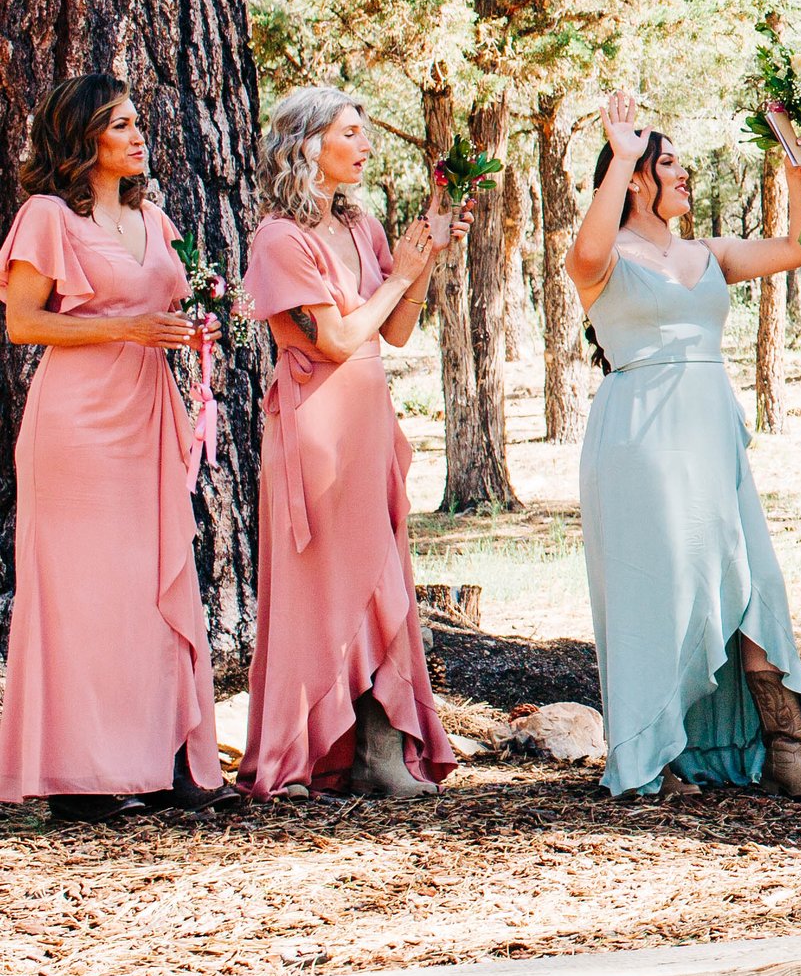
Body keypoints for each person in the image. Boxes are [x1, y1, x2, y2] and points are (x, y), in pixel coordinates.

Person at [567, 89, 801, 799]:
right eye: (672, 165)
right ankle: (655, 756)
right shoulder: (608, 257)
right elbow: (584, 252)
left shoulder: (707, 252)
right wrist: (622, 159)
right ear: (636, 180)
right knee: (663, 594)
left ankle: (784, 746)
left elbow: (800, 247)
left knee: (754, 584)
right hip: (641, 440)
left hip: (712, 435)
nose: (685, 176)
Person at [0, 76, 233, 821]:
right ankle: (80, 778)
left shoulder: (154, 218)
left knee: (154, 583)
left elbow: (166, 306)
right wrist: (125, 328)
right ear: (83, 137)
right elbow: (23, 324)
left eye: (137, 123)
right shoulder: (46, 218)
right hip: (78, 422)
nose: (138, 136)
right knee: (82, 596)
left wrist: (195, 330)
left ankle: (167, 762)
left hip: (148, 414)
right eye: (121, 125)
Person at [241, 87, 464, 799]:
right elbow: (334, 337)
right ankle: (316, 750)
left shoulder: (360, 224)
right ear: (310, 145)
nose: (365, 145)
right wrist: (400, 273)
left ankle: (378, 746)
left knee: (380, 583)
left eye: (365, 132)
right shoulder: (280, 239)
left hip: (369, 417)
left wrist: (421, 259)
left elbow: (393, 332)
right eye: (350, 133)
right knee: (329, 590)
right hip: (316, 421)